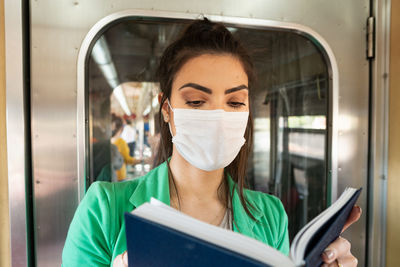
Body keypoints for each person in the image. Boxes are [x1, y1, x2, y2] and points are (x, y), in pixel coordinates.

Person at [62, 18, 361, 267]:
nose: (218, 116)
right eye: (195, 101)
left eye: (234, 102)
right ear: (166, 109)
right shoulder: (103, 209)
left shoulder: (270, 214)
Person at [111, 114, 140, 181]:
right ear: (121, 128)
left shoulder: (108, 142)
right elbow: (127, 160)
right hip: (120, 177)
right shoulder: (121, 142)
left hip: (111, 176)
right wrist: (143, 160)